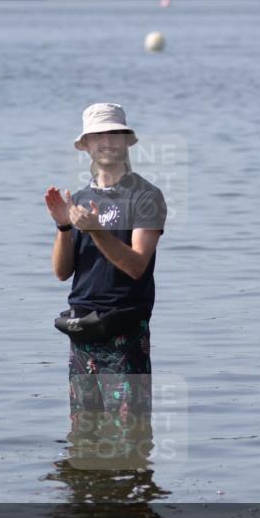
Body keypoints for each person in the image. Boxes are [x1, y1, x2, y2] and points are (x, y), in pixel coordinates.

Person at [44, 103, 166, 463]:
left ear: (127, 141)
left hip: (124, 331)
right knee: (84, 438)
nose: (106, 142)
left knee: (130, 438)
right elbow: (62, 272)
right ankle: (87, 511)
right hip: (82, 331)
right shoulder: (79, 200)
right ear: (86, 146)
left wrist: (96, 231)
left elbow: (136, 266)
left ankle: (131, 511)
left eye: (114, 134)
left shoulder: (146, 196)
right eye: (98, 136)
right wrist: (65, 226)